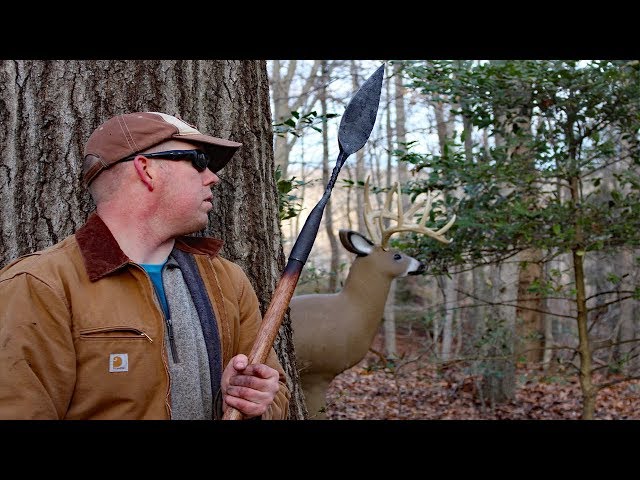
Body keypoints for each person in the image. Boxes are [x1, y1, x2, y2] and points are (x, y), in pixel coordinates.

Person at [0, 111, 290, 420]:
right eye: (199, 162)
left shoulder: (226, 280)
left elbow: (275, 395)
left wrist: (255, 402)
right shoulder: (39, 285)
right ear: (146, 169)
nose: (213, 177)